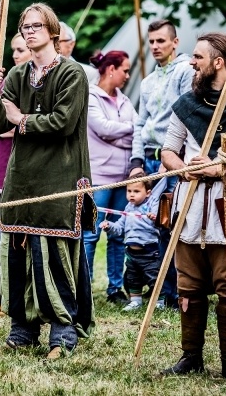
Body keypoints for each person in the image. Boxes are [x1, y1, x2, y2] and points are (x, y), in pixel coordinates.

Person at [0, 2, 95, 359]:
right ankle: (22, 328)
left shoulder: (72, 73)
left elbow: (63, 122)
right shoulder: (15, 76)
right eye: (25, 26)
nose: (29, 31)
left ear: (52, 31)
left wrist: (22, 118)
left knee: (55, 255)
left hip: (60, 176)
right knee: (18, 257)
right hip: (22, 179)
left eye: (36, 26)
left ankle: (62, 333)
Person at [158, 32, 226, 379]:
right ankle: (191, 356)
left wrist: (220, 168)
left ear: (218, 62)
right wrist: (186, 170)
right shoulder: (187, 102)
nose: (191, 62)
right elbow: (167, 152)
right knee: (188, 286)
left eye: (198, 57)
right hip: (190, 204)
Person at [129, 18, 195, 309]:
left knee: (171, 226)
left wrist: (173, 158)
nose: (155, 46)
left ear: (175, 42)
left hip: (174, 161)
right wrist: (136, 161)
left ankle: (174, 292)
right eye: (151, 42)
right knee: (153, 228)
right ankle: (159, 290)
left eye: (161, 41)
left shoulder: (183, 71)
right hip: (151, 162)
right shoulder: (147, 80)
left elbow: (184, 118)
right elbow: (141, 124)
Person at [84, 50, 136, 305]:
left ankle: (116, 288)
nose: (127, 75)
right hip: (99, 176)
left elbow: (140, 131)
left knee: (118, 234)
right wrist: (130, 130)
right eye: (125, 69)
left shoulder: (125, 100)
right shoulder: (91, 97)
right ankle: (84, 287)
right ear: (111, 69)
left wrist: (121, 133)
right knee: (91, 233)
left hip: (124, 178)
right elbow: (103, 129)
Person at [100, 175, 163, 311]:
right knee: (132, 278)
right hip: (131, 252)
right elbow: (119, 228)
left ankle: (160, 301)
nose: (131, 195)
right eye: (129, 191)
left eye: (136, 191)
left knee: (154, 277)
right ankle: (135, 301)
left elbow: (160, 223)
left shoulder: (152, 204)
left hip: (150, 252)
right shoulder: (128, 208)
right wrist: (109, 226)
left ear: (147, 193)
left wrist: (154, 218)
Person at [0, 33, 31, 210]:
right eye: (13, 50)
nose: (15, 55)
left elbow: (30, 123)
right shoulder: (8, 80)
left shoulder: (36, 81)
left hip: (26, 152)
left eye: (20, 50)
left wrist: (11, 126)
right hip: (3, 152)